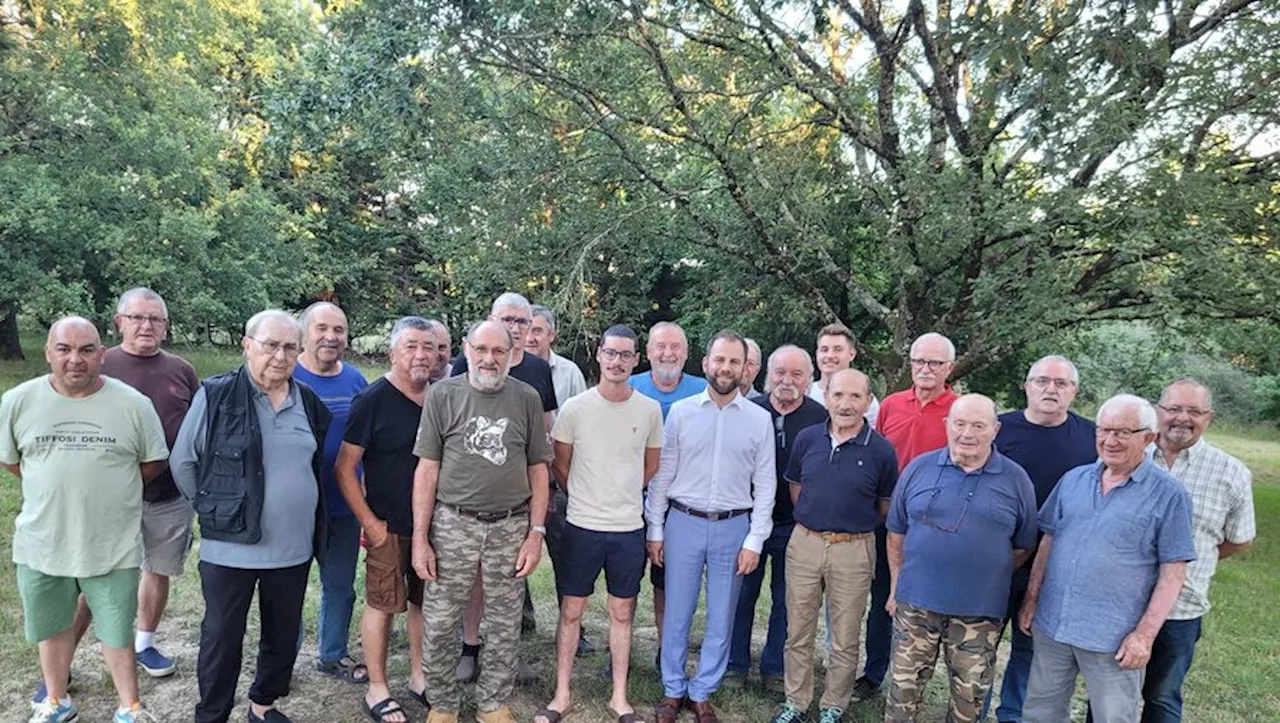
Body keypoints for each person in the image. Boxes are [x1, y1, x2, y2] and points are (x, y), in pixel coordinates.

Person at [27, 288, 201, 699]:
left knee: (157, 570)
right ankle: (60, 670)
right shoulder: (99, 365)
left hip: (167, 495)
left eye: (156, 319)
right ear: (118, 321)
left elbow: (196, 426)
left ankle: (144, 643)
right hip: (106, 500)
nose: (147, 326)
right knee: (93, 580)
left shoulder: (181, 369)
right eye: (137, 317)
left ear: (165, 325)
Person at [2, 317, 169, 723]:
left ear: (102, 354)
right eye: (64, 349)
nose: (75, 359)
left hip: (111, 543)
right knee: (52, 627)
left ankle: (130, 708)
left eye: (86, 350)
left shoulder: (133, 404)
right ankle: (57, 702)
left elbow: (152, 462)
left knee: (116, 631)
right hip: (43, 543)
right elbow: (12, 462)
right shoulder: (18, 401)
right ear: (48, 353)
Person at [172, 310, 333, 723]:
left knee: (282, 636)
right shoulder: (216, 395)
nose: (280, 356)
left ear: (300, 351)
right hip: (230, 549)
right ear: (247, 345)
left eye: (290, 347)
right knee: (222, 638)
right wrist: (214, 509)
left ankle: (263, 704)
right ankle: (212, 715)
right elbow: (184, 462)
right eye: (270, 345)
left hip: (293, 547)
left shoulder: (308, 403)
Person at [1019, 395, 1196, 723]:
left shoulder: (1170, 496)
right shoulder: (1074, 479)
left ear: (1148, 438)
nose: (1110, 440)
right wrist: (1031, 600)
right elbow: (1048, 542)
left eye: (1122, 432)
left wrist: (1143, 636)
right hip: (1054, 624)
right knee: (1040, 712)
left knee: (1113, 717)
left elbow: (1173, 575)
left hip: (1113, 637)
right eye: (1104, 430)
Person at [412, 320, 552, 723]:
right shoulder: (442, 395)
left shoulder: (527, 397)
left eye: (498, 351)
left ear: (512, 354)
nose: (489, 359)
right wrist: (421, 537)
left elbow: (539, 470)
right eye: (482, 350)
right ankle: (442, 704)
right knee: (439, 621)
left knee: (506, 623)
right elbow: (427, 470)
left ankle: (493, 703)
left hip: (510, 525)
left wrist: (535, 533)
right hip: (453, 523)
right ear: (466, 349)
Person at [536, 324, 664, 723]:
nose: (617, 361)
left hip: (627, 527)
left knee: (622, 612)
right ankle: (562, 694)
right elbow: (560, 463)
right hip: (581, 525)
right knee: (571, 611)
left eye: (626, 355)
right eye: (611, 353)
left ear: (636, 359)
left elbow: (651, 465)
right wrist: (588, 493)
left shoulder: (649, 410)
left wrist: (621, 492)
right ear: (599, 354)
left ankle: (620, 698)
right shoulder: (576, 408)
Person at [646, 330, 776, 723]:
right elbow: (662, 475)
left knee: (722, 613)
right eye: (720, 360)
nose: (726, 368)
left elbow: (766, 482)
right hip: (683, 522)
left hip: (733, 526)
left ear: (746, 368)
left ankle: (702, 690)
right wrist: (655, 528)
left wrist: (755, 539)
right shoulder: (683, 413)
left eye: (734, 361)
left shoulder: (759, 419)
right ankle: (672, 689)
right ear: (705, 364)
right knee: (677, 610)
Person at [883, 394, 1038, 723]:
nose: (968, 433)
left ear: (995, 430)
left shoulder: (1016, 480)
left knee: (969, 699)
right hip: (916, 605)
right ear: (947, 425)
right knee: (902, 692)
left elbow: (1023, 546)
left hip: (978, 613)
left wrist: (983, 572)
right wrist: (897, 585)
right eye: (960, 423)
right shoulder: (918, 468)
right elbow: (896, 532)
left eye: (979, 425)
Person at [769, 369, 898, 723]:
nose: (845, 404)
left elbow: (883, 507)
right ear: (826, 397)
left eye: (855, 396)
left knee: (844, 635)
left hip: (854, 548)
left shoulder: (882, 451)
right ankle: (796, 701)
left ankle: (833, 706)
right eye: (838, 395)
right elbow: (797, 491)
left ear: (868, 401)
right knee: (798, 629)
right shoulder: (808, 439)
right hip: (806, 542)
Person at [336, 317, 440, 723]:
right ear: (393, 351)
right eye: (411, 346)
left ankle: (419, 676)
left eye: (428, 347)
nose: (420, 354)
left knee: (422, 602)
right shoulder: (373, 399)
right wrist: (370, 523)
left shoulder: (441, 398)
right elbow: (346, 468)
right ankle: (377, 687)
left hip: (433, 525)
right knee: (382, 604)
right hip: (387, 525)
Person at [983, 355, 1097, 722]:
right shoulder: (999, 429)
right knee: (981, 644)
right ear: (1027, 386)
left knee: (1028, 648)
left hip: (1054, 565)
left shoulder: (1092, 438)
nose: (1051, 389)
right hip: (996, 559)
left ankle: (1012, 715)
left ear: (1074, 391)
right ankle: (972, 712)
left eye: (1061, 383)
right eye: (1042, 381)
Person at [450, 293, 557, 681]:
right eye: (507, 319)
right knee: (477, 579)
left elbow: (544, 435)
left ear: (531, 329)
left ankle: (507, 654)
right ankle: (470, 646)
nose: (514, 327)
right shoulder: (469, 363)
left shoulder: (538, 370)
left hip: (518, 496)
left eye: (522, 322)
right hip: (472, 499)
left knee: (511, 580)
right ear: (491, 319)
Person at [1141, 379, 1255, 722]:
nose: (1182, 418)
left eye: (1194, 411)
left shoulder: (1231, 473)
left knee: (1162, 697)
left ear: (1210, 417)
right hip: (1123, 602)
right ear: (1158, 411)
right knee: (1109, 694)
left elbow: (1239, 539)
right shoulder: (1130, 456)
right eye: (1174, 409)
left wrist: (1189, 560)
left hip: (1182, 609)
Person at [857, 331, 958, 701]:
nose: (926, 369)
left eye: (934, 362)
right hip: (888, 518)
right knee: (884, 595)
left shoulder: (958, 410)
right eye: (919, 361)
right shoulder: (892, 405)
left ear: (949, 367)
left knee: (928, 604)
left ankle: (916, 679)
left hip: (937, 523)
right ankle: (873, 673)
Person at [725, 345, 827, 693]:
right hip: (749, 520)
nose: (787, 380)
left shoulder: (821, 418)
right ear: (767, 375)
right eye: (780, 372)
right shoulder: (748, 410)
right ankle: (735, 664)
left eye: (797, 374)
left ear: (810, 379)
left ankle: (773, 668)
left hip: (795, 524)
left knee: (787, 600)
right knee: (741, 595)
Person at [293, 301, 370, 684]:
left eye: (338, 330)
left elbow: (368, 444)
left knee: (340, 586)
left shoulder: (356, 381)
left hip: (342, 505)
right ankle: (279, 659)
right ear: (304, 333)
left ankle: (332, 653)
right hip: (293, 508)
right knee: (285, 588)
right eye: (321, 328)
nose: (330, 336)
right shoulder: (285, 375)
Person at [629, 320, 707, 664]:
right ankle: (621, 650)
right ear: (647, 352)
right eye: (660, 346)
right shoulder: (630, 386)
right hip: (629, 501)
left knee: (668, 584)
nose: (668, 353)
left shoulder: (702, 391)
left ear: (687, 353)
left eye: (675, 346)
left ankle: (666, 652)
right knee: (625, 584)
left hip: (678, 506)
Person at [527, 304, 595, 655]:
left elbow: (581, 426)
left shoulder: (568, 373)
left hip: (559, 479)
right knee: (512, 555)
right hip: (516, 483)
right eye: (527, 328)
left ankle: (574, 628)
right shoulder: (509, 368)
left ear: (551, 334)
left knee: (566, 556)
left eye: (539, 330)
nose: (531, 336)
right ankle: (522, 625)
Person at [806, 323, 879, 425]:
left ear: (852, 354)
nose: (830, 355)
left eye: (838, 349)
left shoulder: (865, 401)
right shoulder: (805, 394)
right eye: (824, 350)